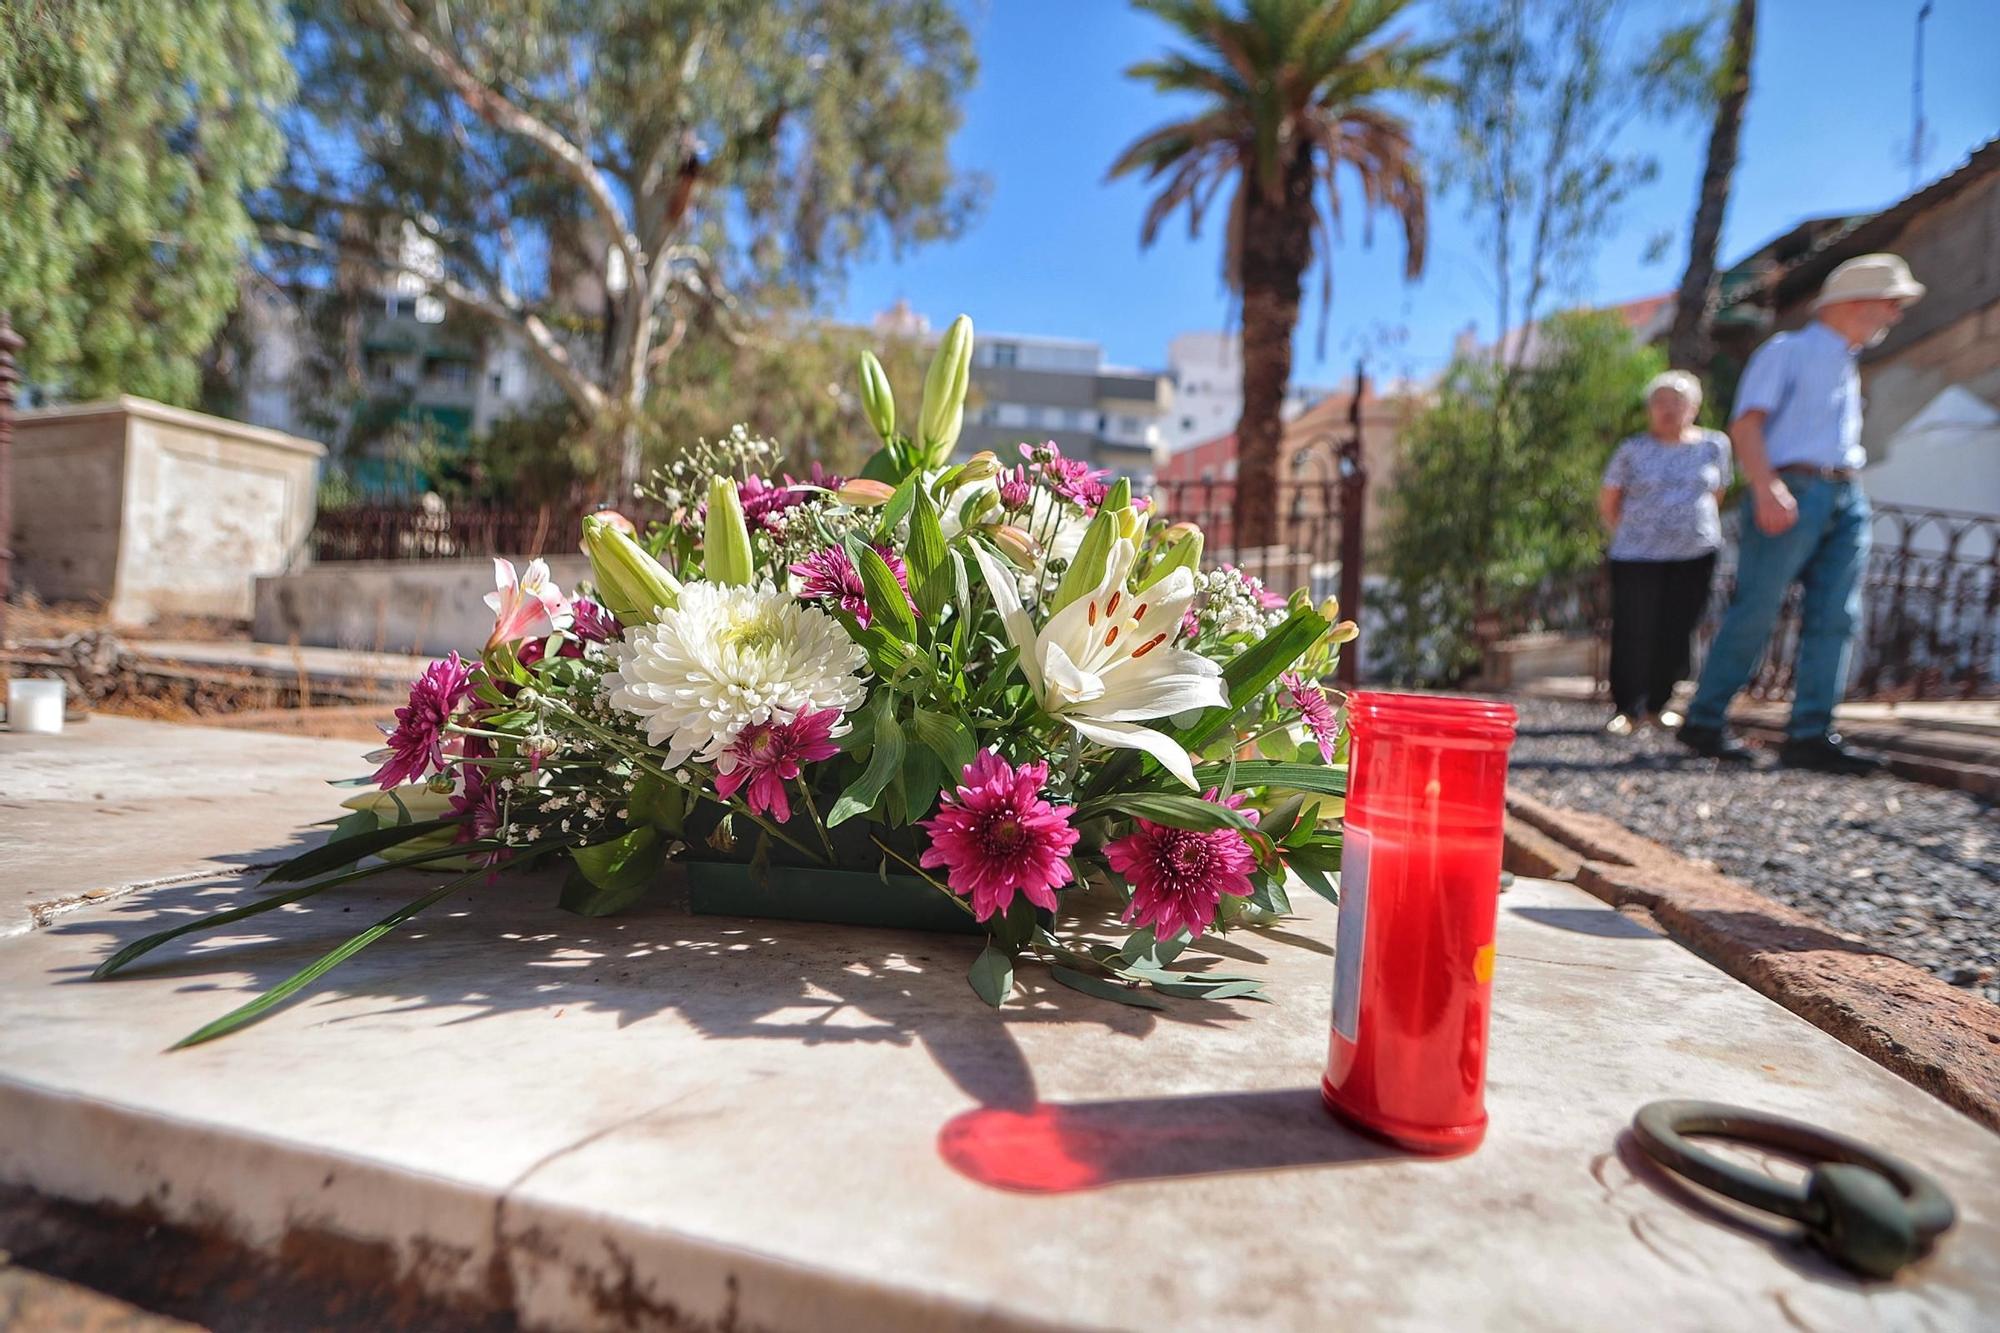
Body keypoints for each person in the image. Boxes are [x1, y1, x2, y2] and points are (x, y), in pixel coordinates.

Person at [1677, 253, 1926, 772]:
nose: (1897, 315)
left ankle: (1812, 732)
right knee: (1759, 607)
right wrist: (1766, 488)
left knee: (1838, 614)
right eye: (1892, 303)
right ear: (1856, 302)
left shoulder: (1847, 362)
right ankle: (1704, 719)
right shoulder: (1788, 351)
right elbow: (1746, 427)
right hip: (1792, 487)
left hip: (1845, 492)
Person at [1597, 371, 1730, 736]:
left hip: (1694, 553)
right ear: (1649, 409)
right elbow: (1609, 501)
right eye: (1660, 402)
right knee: (1633, 629)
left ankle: (1659, 704)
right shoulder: (1632, 449)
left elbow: (1717, 494)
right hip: (1637, 554)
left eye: (1677, 402)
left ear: (1694, 408)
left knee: (1678, 629)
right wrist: (1636, 532)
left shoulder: (1714, 445)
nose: (1668, 410)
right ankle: (1627, 707)